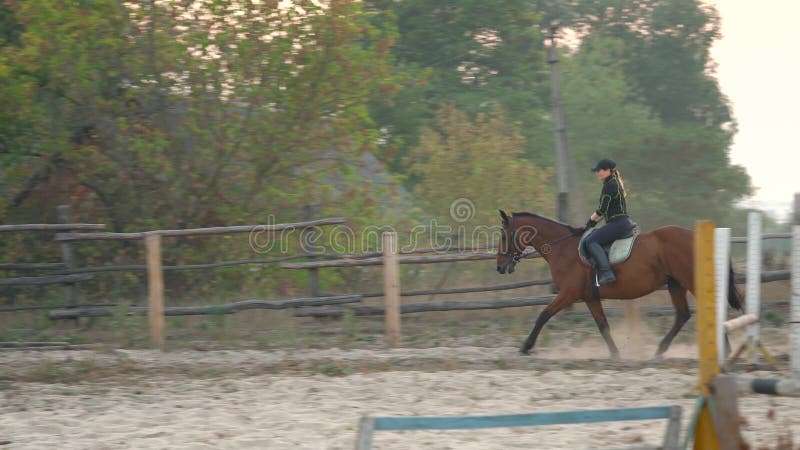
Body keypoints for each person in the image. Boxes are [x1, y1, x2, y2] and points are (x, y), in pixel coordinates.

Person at [583, 158, 635, 286]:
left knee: (590, 241)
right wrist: (592, 224)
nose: (597, 173)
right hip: (621, 222)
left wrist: (589, 222)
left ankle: (607, 273)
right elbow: (604, 212)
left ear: (607, 170)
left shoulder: (609, 185)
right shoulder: (614, 182)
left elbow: (601, 210)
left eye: (599, 170)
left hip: (617, 224)